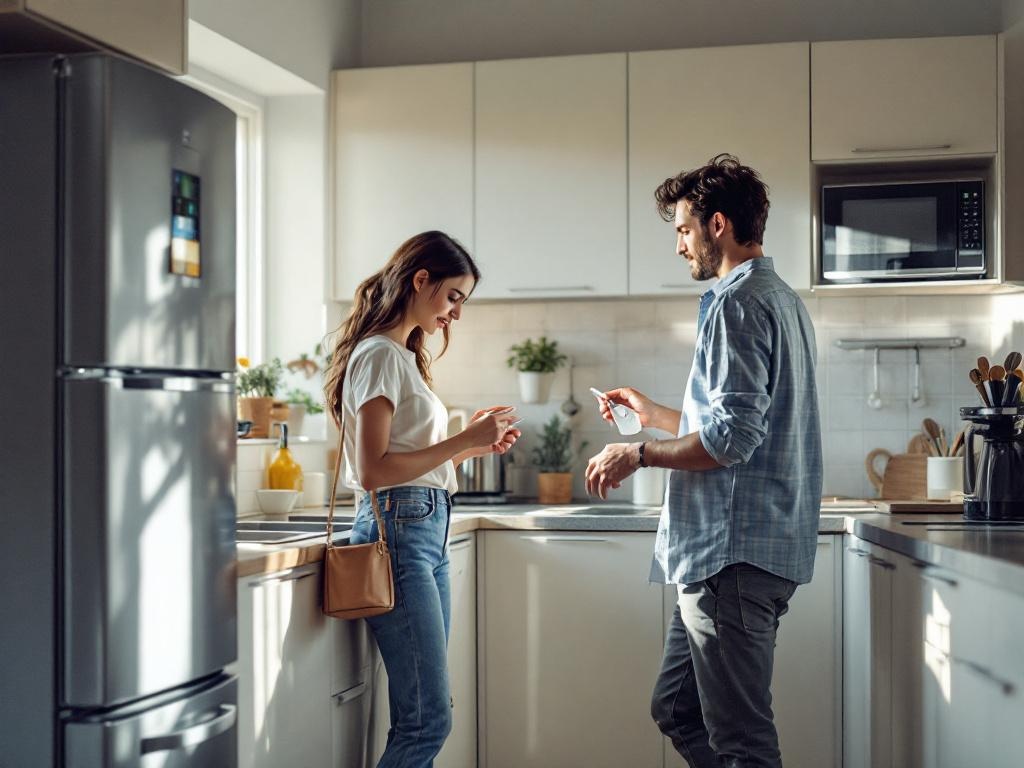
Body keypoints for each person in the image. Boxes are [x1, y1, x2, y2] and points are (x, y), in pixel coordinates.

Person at [585, 154, 822, 768]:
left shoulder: (738, 304)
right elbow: (740, 425)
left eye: (684, 230)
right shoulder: (782, 299)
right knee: (678, 710)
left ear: (718, 224)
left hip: (730, 557)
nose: (680, 246)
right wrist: (656, 414)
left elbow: (731, 441)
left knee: (742, 742)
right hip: (747, 552)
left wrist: (637, 453)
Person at [324, 230, 521, 767]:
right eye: (453, 296)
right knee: (428, 720)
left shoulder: (401, 357)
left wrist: (473, 446)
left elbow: (411, 464)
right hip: (400, 532)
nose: (456, 312)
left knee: (423, 714)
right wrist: (462, 440)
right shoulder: (379, 355)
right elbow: (373, 471)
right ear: (420, 280)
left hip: (422, 529)